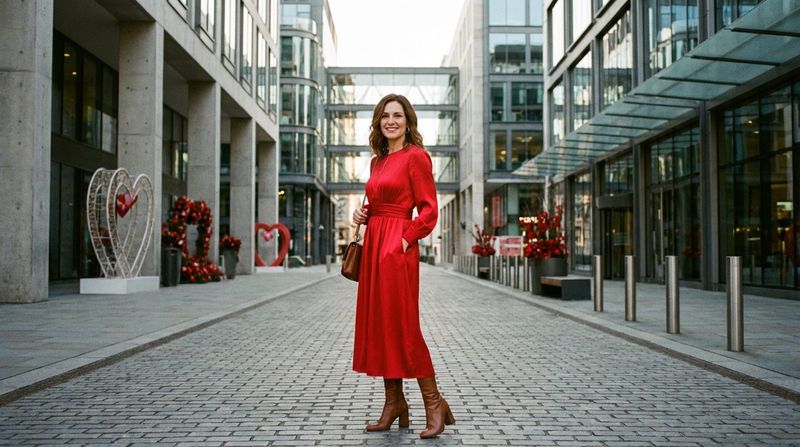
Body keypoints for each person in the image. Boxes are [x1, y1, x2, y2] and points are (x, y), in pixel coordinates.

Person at [351, 94, 455, 439]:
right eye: (385, 116)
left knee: (404, 326)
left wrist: (405, 240)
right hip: (375, 244)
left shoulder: (417, 157)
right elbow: (376, 202)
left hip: (397, 248)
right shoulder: (377, 162)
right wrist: (363, 215)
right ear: (378, 122)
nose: (391, 121)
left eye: (397, 115)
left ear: (408, 122)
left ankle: (433, 402)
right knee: (381, 325)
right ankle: (394, 403)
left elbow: (428, 211)